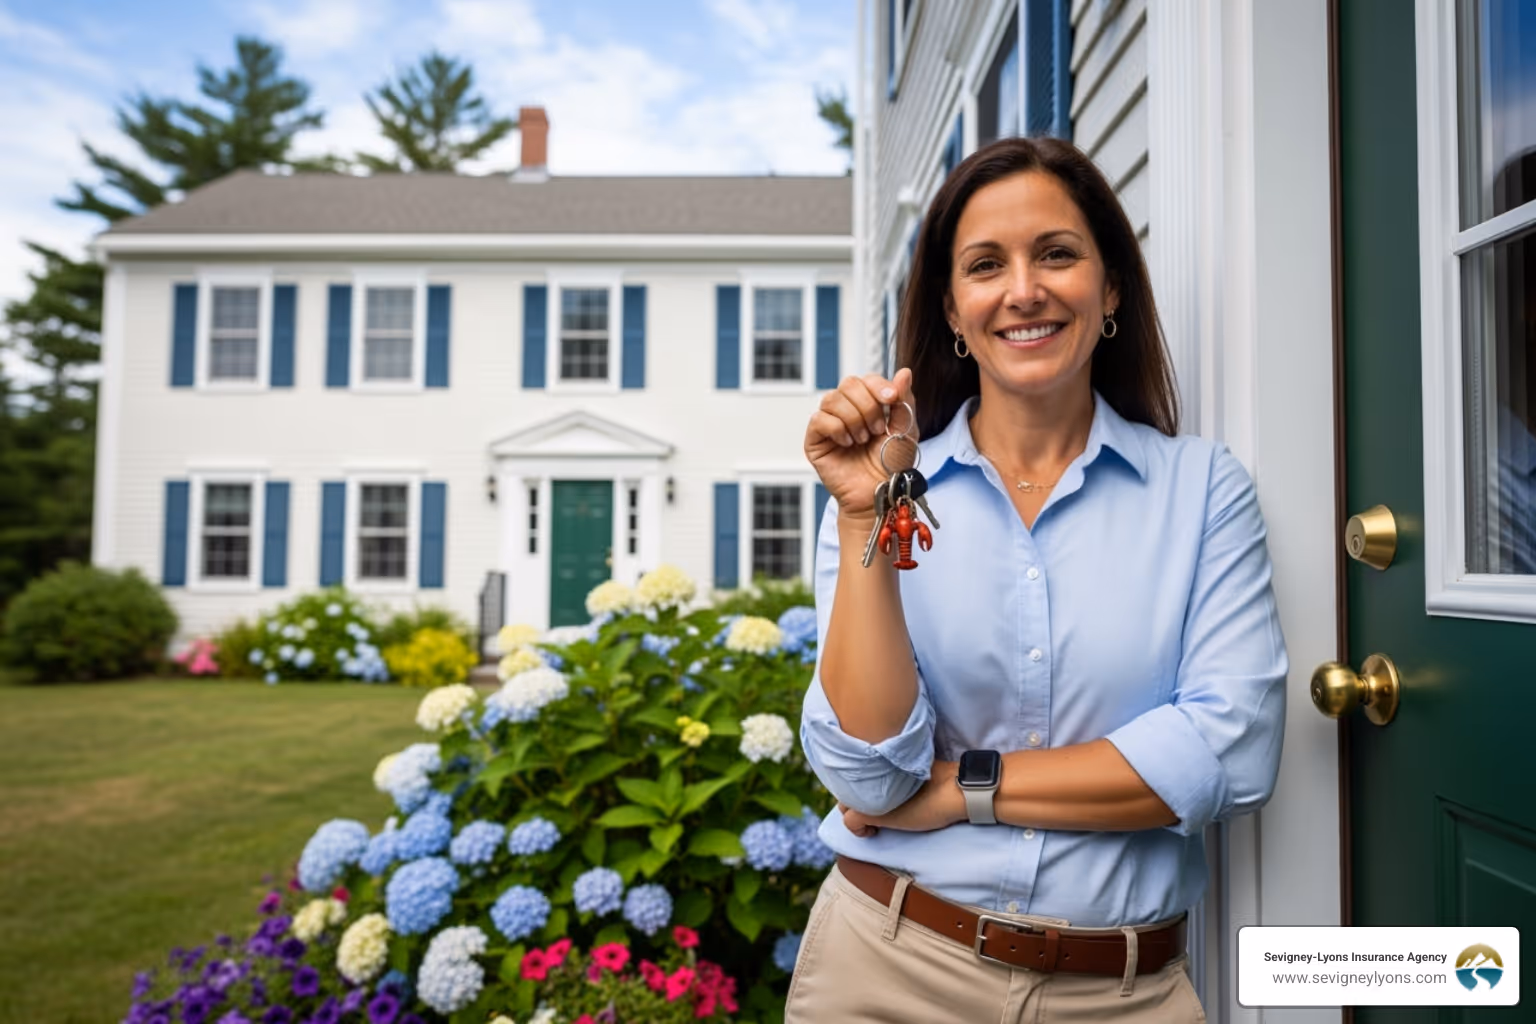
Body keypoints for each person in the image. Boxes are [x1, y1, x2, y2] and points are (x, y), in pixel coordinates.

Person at [789, 137, 1288, 1022]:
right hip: (888, 968)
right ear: (952, 308)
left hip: (1124, 993)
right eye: (987, 265)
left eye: (1056, 253)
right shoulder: (880, 497)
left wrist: (957, 791)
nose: (1024, 289)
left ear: (1111, 289)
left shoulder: (1202, 489)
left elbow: (1229, 750)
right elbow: (869, 782)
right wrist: (866, 514)